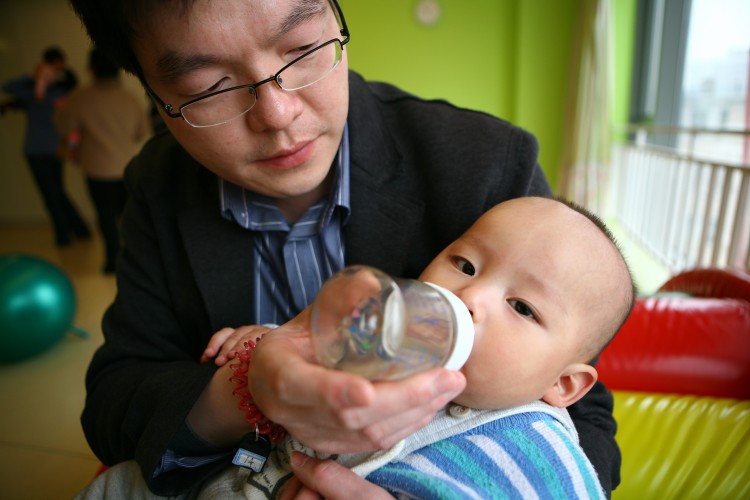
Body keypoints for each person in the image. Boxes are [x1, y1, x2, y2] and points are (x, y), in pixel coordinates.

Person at [68, 0, 621, 496]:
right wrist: (244, 387)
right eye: (210, 86)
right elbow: (116, 400)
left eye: (305, 48)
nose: (278, 114)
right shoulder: (159, 183)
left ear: (336, 18)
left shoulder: (484, 164)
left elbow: (584, 423)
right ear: (153, 94)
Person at [190, 196, 635, 499]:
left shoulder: (537, 454)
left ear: (563, 383)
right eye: (464, 264)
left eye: (521, 307)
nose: (471, 297)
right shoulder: (389, 338)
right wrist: (261, 342)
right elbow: (310, 343)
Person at [54, 47, 152, 273]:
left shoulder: (80, 97)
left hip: (98, 168)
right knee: (130, 217)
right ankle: (136, 262)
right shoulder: (130, 97)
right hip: (128, 167)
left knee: (106, 217)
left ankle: (112, 261)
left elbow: (64, 126)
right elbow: (141, 132)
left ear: (92, 69)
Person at [2, 46, 90, 247]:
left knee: (53, 193)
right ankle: (78, 230)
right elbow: (7, 86)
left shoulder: (61, 91)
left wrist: (41, 80)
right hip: (35, 150)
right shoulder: (33, 92)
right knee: (54, 192)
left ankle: (66, 235)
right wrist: (37, 77)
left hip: (51, 149)